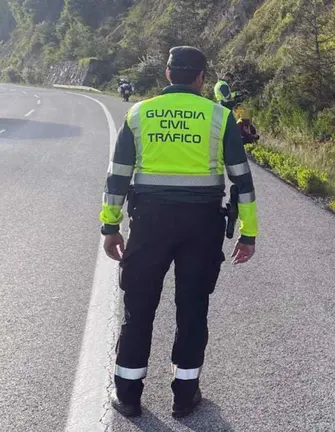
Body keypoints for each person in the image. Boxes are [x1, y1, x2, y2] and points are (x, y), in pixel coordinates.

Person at [99, 46, 258, 419]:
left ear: (168, 74)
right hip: (202, 225)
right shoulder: (219, 117)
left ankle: (129, 396)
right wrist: (248, 233)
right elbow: (242, 182)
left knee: (138, 309)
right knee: (192, 308)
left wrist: (110, 226)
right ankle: (185, 397)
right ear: (202, 78)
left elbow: (118, 175)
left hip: (150, 223)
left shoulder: (139, 113)